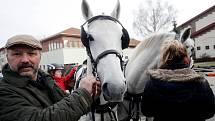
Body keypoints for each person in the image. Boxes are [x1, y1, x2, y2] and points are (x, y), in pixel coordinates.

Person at [0, 34, 101, 121]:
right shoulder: (4, 91)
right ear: (7, 58)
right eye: (17, 54)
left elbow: (68, 106)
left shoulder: (46, 81)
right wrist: (83, 94)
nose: (25, 60)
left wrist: (91, 96)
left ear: (40, 57)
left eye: (31, 53)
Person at [141, 40, 215, 121]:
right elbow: (210, 112)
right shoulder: (201, 82)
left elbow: (146, 111)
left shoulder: (152, 83)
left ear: (164, 59)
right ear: (186, 58)